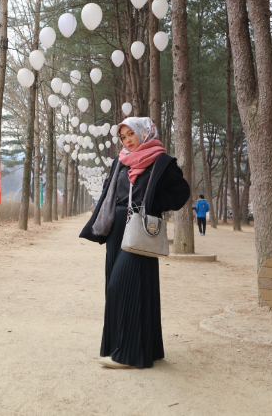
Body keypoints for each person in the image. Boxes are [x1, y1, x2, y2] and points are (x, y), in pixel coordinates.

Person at [79, 117, 190, 369]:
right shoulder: (120, 160)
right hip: (116, 229)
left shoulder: (161, 160)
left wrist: (152, 205)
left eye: (131, 134)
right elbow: (111, 192)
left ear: (144, 133)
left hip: (140, 228)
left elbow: (181, 192)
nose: (127, 140)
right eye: (123, 136)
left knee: (122, 284)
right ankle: (132, 347)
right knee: (116, 287)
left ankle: (128, 355)